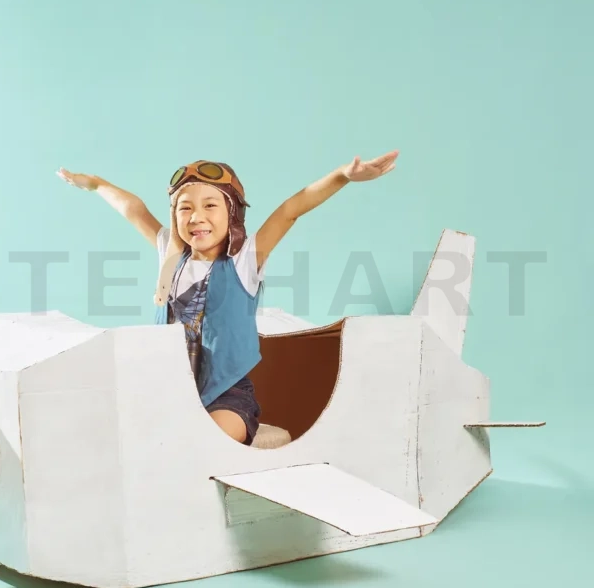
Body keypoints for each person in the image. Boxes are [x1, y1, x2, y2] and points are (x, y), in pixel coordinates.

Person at [56, 151, 399, 446]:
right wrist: (97, 185)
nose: (196, 217)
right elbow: (133, 209)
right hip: (168, 389)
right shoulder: (171, 257)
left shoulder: (244, 261)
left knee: (204, 442)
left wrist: (343, 176)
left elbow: (290, 210)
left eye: (210, 205)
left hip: (226, 396)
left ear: (232, 211)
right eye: (185, 208)